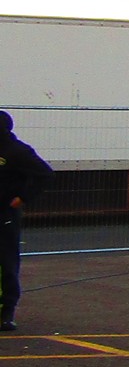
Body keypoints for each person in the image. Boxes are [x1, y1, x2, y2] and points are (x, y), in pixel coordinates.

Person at [0, 111, 53, 333]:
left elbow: (45, 174)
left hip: (4, 216)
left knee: (5, 261)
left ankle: (6, 311)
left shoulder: (17, 151)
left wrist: (22, 197)